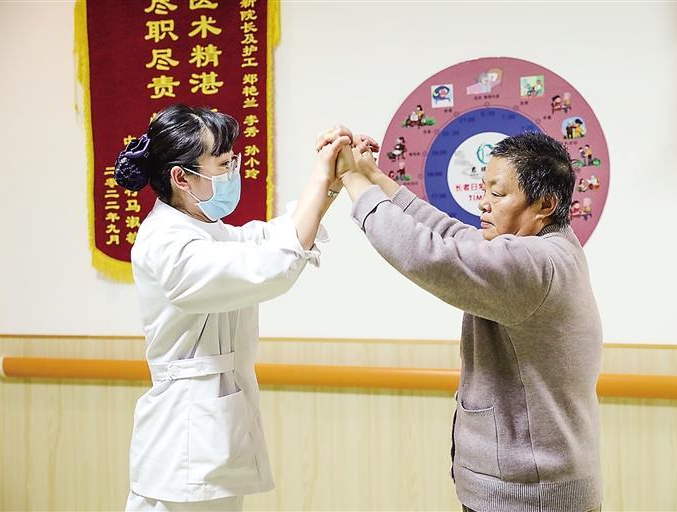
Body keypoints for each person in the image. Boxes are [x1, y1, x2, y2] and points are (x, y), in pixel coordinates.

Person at [329, 130, 602, 512]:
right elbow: (454, 236)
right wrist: (375, 177)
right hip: (525, 490)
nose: (483, 204)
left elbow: (431, 256)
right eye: (485, 189)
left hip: (528, 499)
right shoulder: (548, 248)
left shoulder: (535, 265)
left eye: (498, 193)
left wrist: (352, 180)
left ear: (544, 204)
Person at [114, 104, 350, 511]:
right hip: (183, 447)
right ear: (181, 177)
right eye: (222, 164)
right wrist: (321, 175)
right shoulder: (168, 244)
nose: (232, 172)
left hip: (206, 441)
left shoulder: (206, 230)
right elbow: (271, 266)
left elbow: (272, 238)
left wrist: (330, 180)